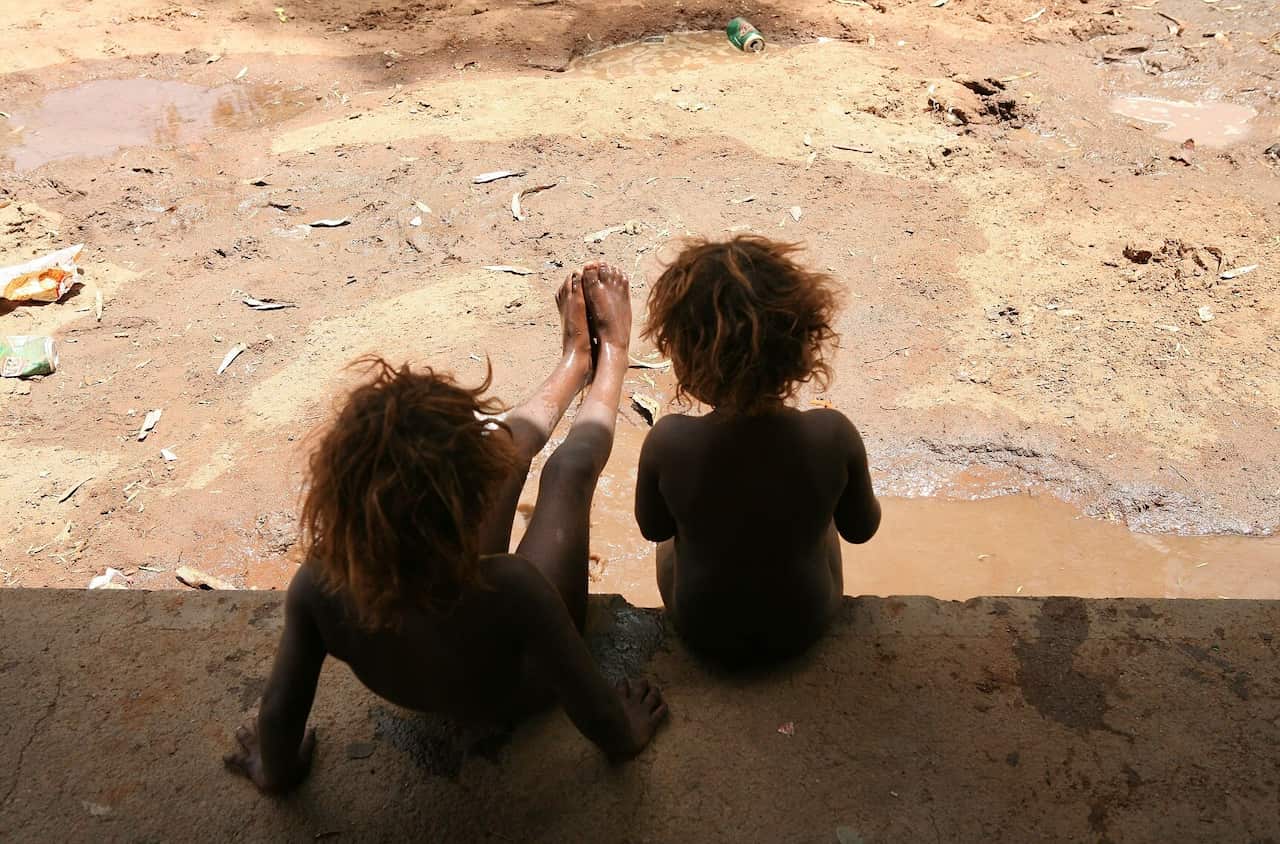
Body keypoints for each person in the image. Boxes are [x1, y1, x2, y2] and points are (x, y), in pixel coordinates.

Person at [225, 263, 667, 793]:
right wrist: (629, 734)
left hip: (436, 649)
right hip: (515, 691)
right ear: (472, 509)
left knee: (483, 456)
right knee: (566, 474)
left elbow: (277, 717)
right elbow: (598, 717)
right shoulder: (513, 587)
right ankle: (610, 358)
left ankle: (573, 364)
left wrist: (273, 771)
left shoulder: (320, 587)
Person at [634, 236, 881, 666]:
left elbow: (654, 529)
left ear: (688, 363)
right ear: (803, 350)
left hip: (703, 631)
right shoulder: (833, 435)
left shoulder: (668, 442)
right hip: (806, 623)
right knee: (819, 518)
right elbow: (861, 528)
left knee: (679, 530)